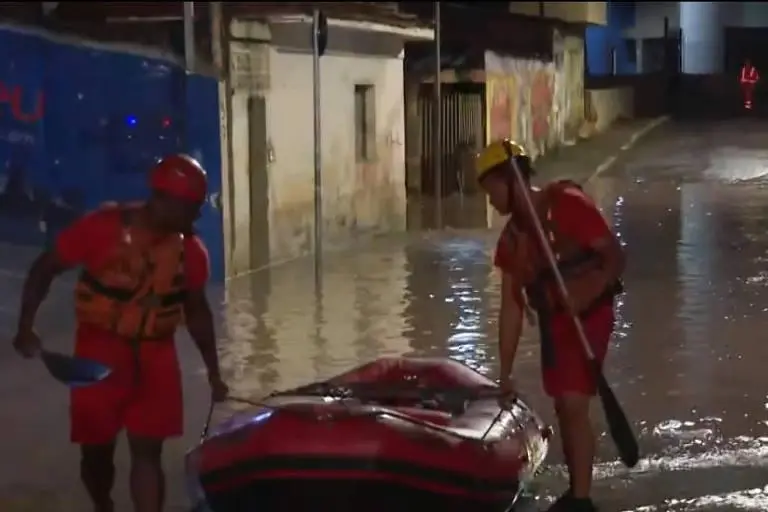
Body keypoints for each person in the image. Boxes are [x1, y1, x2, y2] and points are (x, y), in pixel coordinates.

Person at [12, 154, 229, 512]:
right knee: (96, 453)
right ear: (162, 201)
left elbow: (197, 313)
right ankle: (103, 505)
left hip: (156, 357)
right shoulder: (100, 228)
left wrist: (215, 373)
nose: (196, 216)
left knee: (148, 453)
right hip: (97, 353)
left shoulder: (191, 252)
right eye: (190, 207)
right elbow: (45, 267)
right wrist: (25, 326)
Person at [475, 140, 625, 512]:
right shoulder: (512, 241)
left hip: (590, 314)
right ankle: (578, 490)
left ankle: (581, 499)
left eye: (490, 190)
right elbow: (511, 309)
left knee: (573, 402)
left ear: (508, 180)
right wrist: (505, 372)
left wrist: (586, 293)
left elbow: (614, 257)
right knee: (563, 404)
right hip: (555, 323)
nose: (490, 201)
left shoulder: (568, 204)